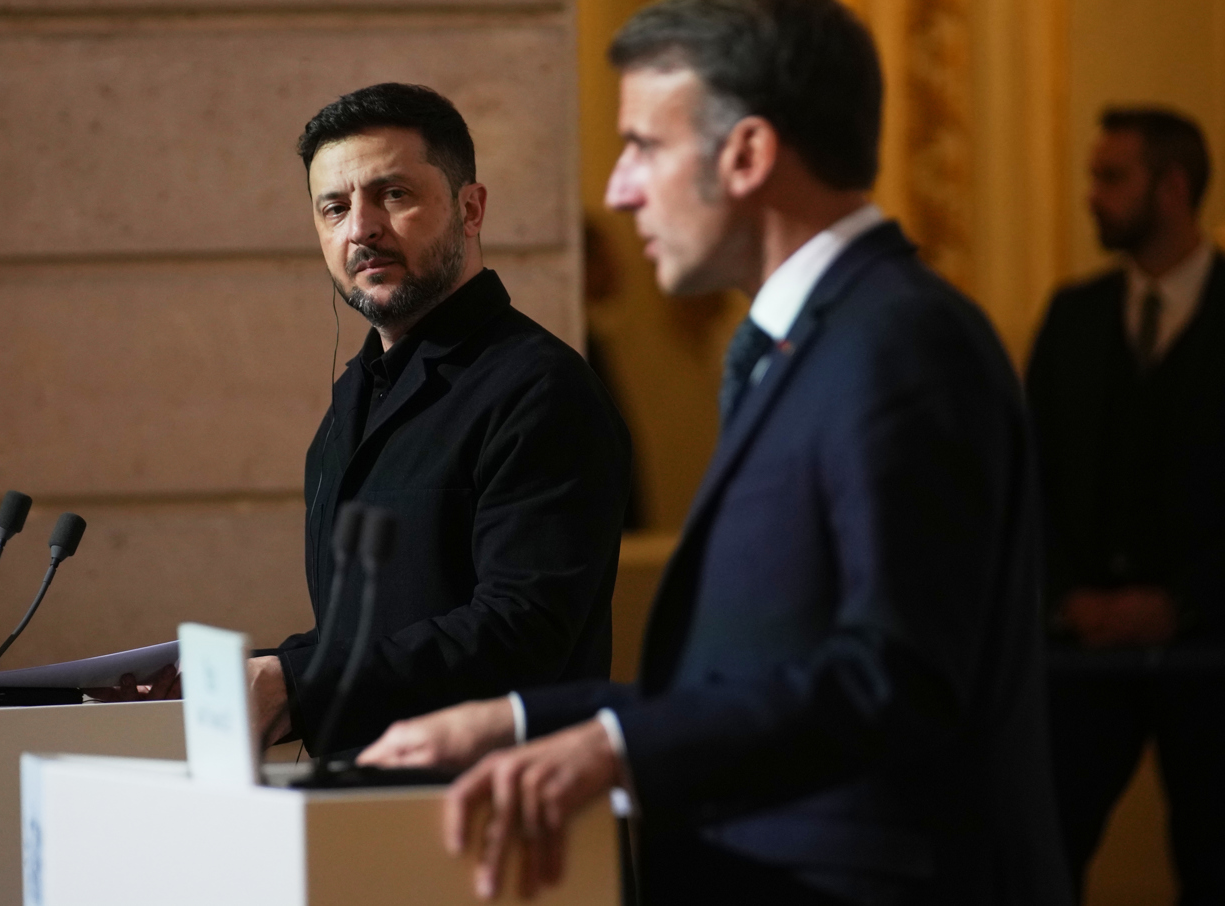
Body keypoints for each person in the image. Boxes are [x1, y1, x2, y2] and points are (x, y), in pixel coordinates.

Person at [358, 3, 1071, 904]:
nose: (619, 190)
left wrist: (611, 750)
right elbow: (744, 682)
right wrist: (513, 720)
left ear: (746, 155)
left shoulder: (902, 341)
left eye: (644, 147)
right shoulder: (801, 346)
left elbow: (895, 677)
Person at [153, 82, 629, 755]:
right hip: (366, 812)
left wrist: (294, 683)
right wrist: (232, 678)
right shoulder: (354, 398)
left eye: (394, 195)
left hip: (498, 819)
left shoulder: (541, 388)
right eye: (335, 207)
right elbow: (369, 632)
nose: (361, 228)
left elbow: (521, 634)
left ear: (471, 208)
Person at [1026, 107, 1225, 904]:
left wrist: (1180, 604)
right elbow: (1029, 474)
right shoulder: (1072, 318)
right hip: (1080, 653)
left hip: (1214, 655)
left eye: (1113, 177)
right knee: (1042, 849)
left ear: (1172, 188)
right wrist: (1071, 598)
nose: (1092, 195)